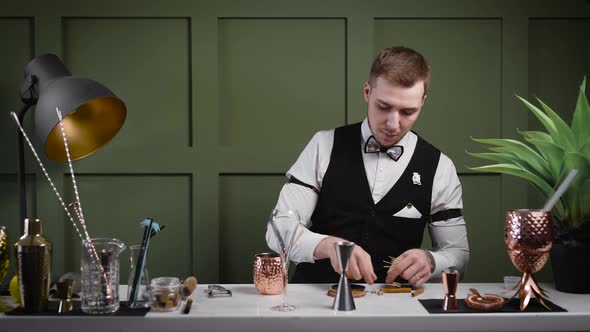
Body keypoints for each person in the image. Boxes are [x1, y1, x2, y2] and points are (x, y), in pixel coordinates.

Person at [266, 46, 469, 286]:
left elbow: (458, 254)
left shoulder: (440, 168)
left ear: (423, 102)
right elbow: (278, 230)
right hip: (314, 297)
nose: (393, 124)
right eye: (384, 106)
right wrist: (327, 246)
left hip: (395, 305)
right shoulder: (323, 145)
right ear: (367, 91)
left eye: (408, 111)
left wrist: (432, 260)